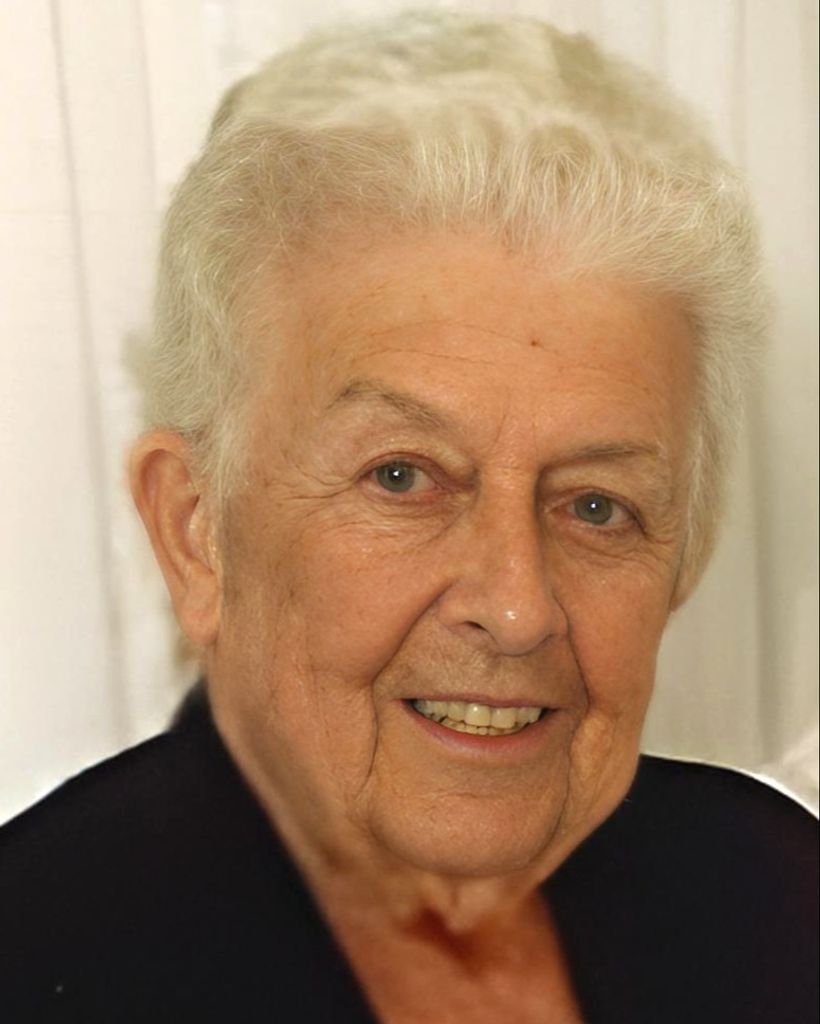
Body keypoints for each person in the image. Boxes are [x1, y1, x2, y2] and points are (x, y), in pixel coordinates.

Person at [1, 10, 816, 1023]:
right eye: (401, 477)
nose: (516, 608)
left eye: (595, 505)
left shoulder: (774, 893)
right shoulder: (34, 960)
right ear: (195, 531)